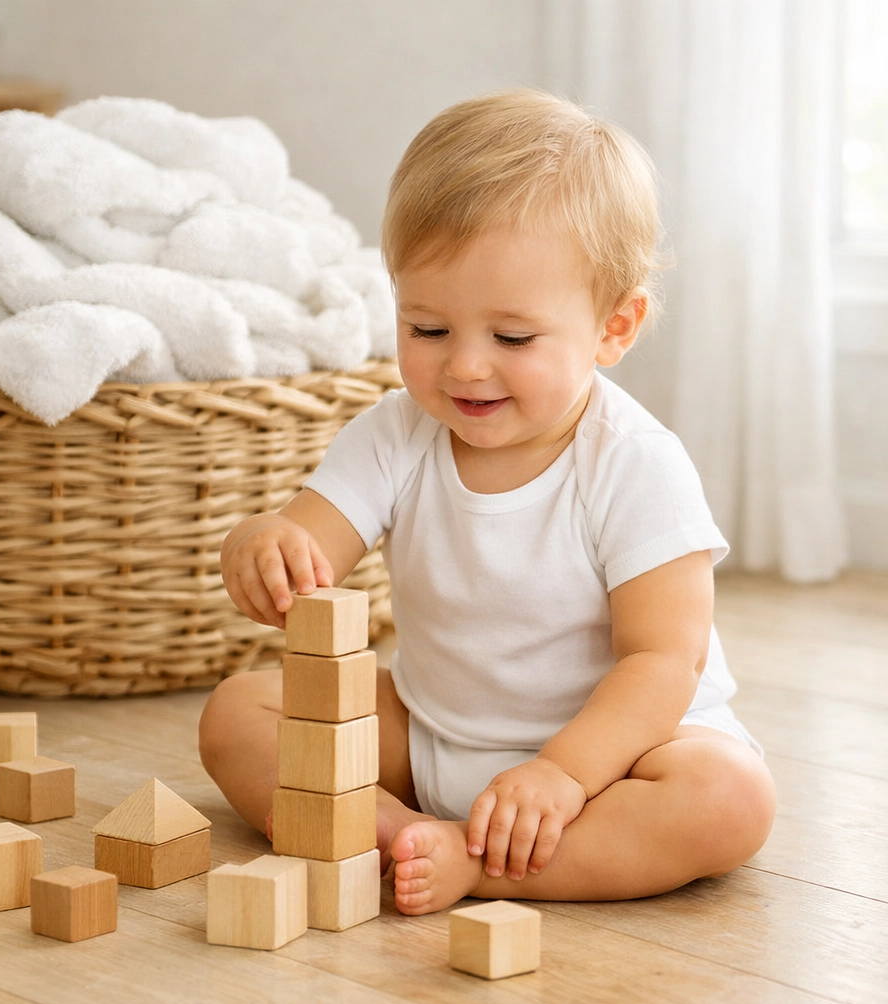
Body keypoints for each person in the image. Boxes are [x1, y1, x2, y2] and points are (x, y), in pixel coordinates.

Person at [199, 89, 776, 916]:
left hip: (609, 764)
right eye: (427, 329)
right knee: (238, 713)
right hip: (432, 736)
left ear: (614, 328)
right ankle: (398, 833)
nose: (465, 367)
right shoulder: (396, 434)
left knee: (727, 798)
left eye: (511, 338)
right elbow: (308, 541)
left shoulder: (635, 464)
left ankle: (482, 867)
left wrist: (562, 773)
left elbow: (662, 663)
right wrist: (262, 546)